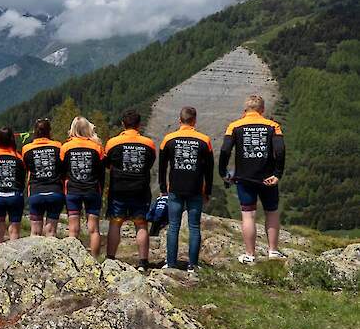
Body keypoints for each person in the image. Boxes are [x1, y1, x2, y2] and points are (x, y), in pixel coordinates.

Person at [219, 95, 286, 264]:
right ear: (262, 110)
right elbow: (280, 150)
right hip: (268, 177)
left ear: (245, 110)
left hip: (244, 178)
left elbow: (225, 150)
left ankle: (250, 255)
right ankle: (273, 251)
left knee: (248, 215)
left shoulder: (234, 126)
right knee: (271, 212)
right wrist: (278, 174)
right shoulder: (272, 126)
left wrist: (223, 172)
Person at [159, 107, 214, 272]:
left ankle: (170, 262)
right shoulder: (204, 140)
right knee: (194, 227)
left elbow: (162, 167)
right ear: (194, 121)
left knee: (173, 225)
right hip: (196, 189)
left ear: (179, 120)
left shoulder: (168, 139)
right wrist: (208, 191)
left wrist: (163, 188)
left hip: (175, 188)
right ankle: (193, 265)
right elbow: (209, 170)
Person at [103, 110, 157, 270]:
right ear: (139, 124)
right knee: (141, 224)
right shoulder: (149, 143)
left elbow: (107, 164)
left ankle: (110, 258)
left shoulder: (113, 142)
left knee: (115, 223)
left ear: (123, 124)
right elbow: (149, 163)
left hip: (118, 188)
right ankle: (143, 262)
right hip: (140, 188)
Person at [60, 117, 105, 256]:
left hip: (73, 189)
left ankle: (73, 259)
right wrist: (101, 190)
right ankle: (95, 260)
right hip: (92, 189)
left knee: (73, 230)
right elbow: (102, 172)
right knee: (94, 229)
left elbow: (62, 170)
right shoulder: (97, 147)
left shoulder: (65, 147)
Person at [22, 119, 65, 237]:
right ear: (49, 131)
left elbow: (25, 170)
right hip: (55, 192)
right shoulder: (58, 146)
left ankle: (35, 255)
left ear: (34, 132)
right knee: (51, 232)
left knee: (35, 232)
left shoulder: (26, 149)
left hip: (36, 192)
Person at [0, 127, 26, 243]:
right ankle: (14, 255)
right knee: (14, 230)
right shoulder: (18, 156)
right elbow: (23, 176)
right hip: (15, 196)